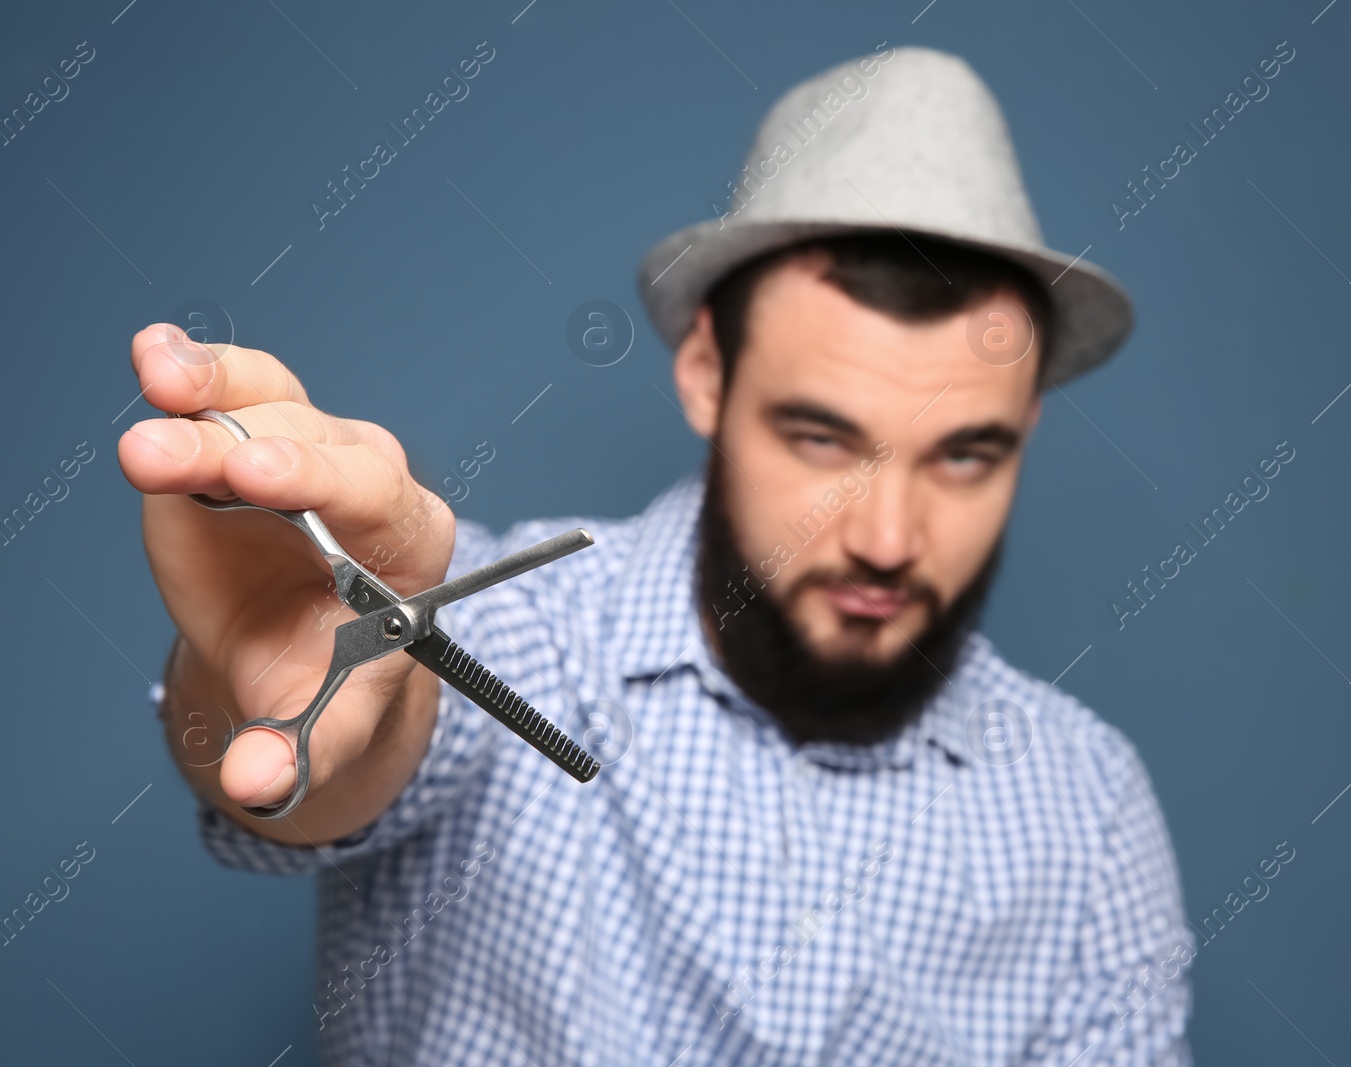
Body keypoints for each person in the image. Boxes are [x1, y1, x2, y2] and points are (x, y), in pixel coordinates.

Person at [119, 46, 1194, 1065]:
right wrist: (259, 675)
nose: (886, 538)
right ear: (705, 376)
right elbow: (354, 757)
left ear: (1028, 429)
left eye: (966, 454)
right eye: (821, 439)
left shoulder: (1085, 806)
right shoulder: (504, 639)